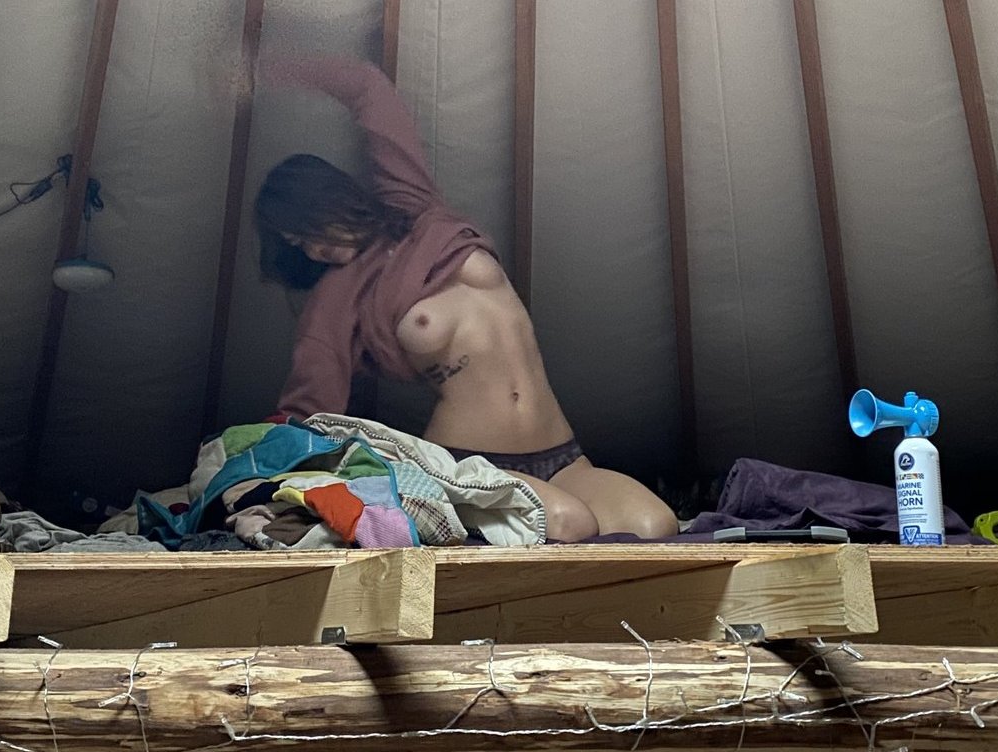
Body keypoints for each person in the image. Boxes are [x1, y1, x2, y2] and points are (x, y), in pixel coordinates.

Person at [251, 51, 678, 541]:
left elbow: (370, 90)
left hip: (561, 453)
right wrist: (263, 480)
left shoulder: (415, 208)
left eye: (307, 229)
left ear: (328, 199)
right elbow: (309, 410)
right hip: (469, 465)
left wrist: (263, 68)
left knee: (656, 525)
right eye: (297, 245)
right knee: (566, 523)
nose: (312, 249)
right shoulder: (335, 297)